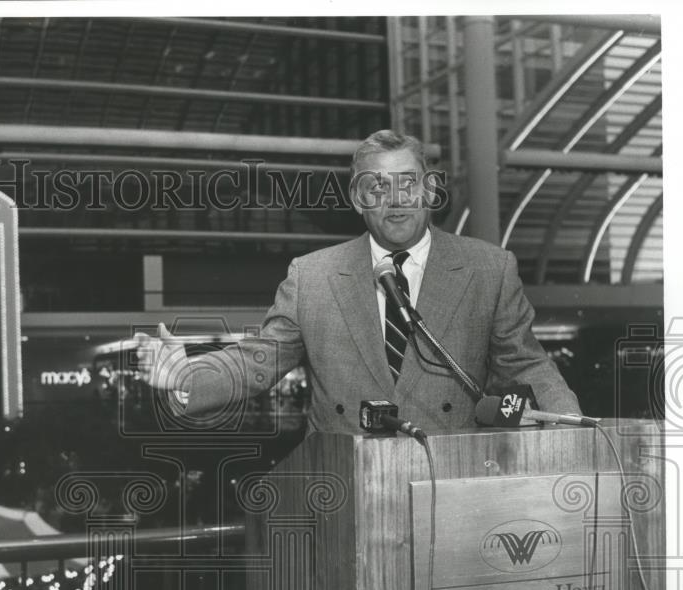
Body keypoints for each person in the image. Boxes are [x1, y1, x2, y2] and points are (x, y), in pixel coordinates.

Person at [135, 130, 580, 435]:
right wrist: (187, 375)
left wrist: (572, 426)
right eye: (376, 187)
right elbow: (260, 360)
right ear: (356, 199)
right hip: (347, 489)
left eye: (407, 184)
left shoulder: (489, 269)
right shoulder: (313, 276)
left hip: (452, 481)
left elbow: (525, 364)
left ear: (428, 190)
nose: (395, 200)